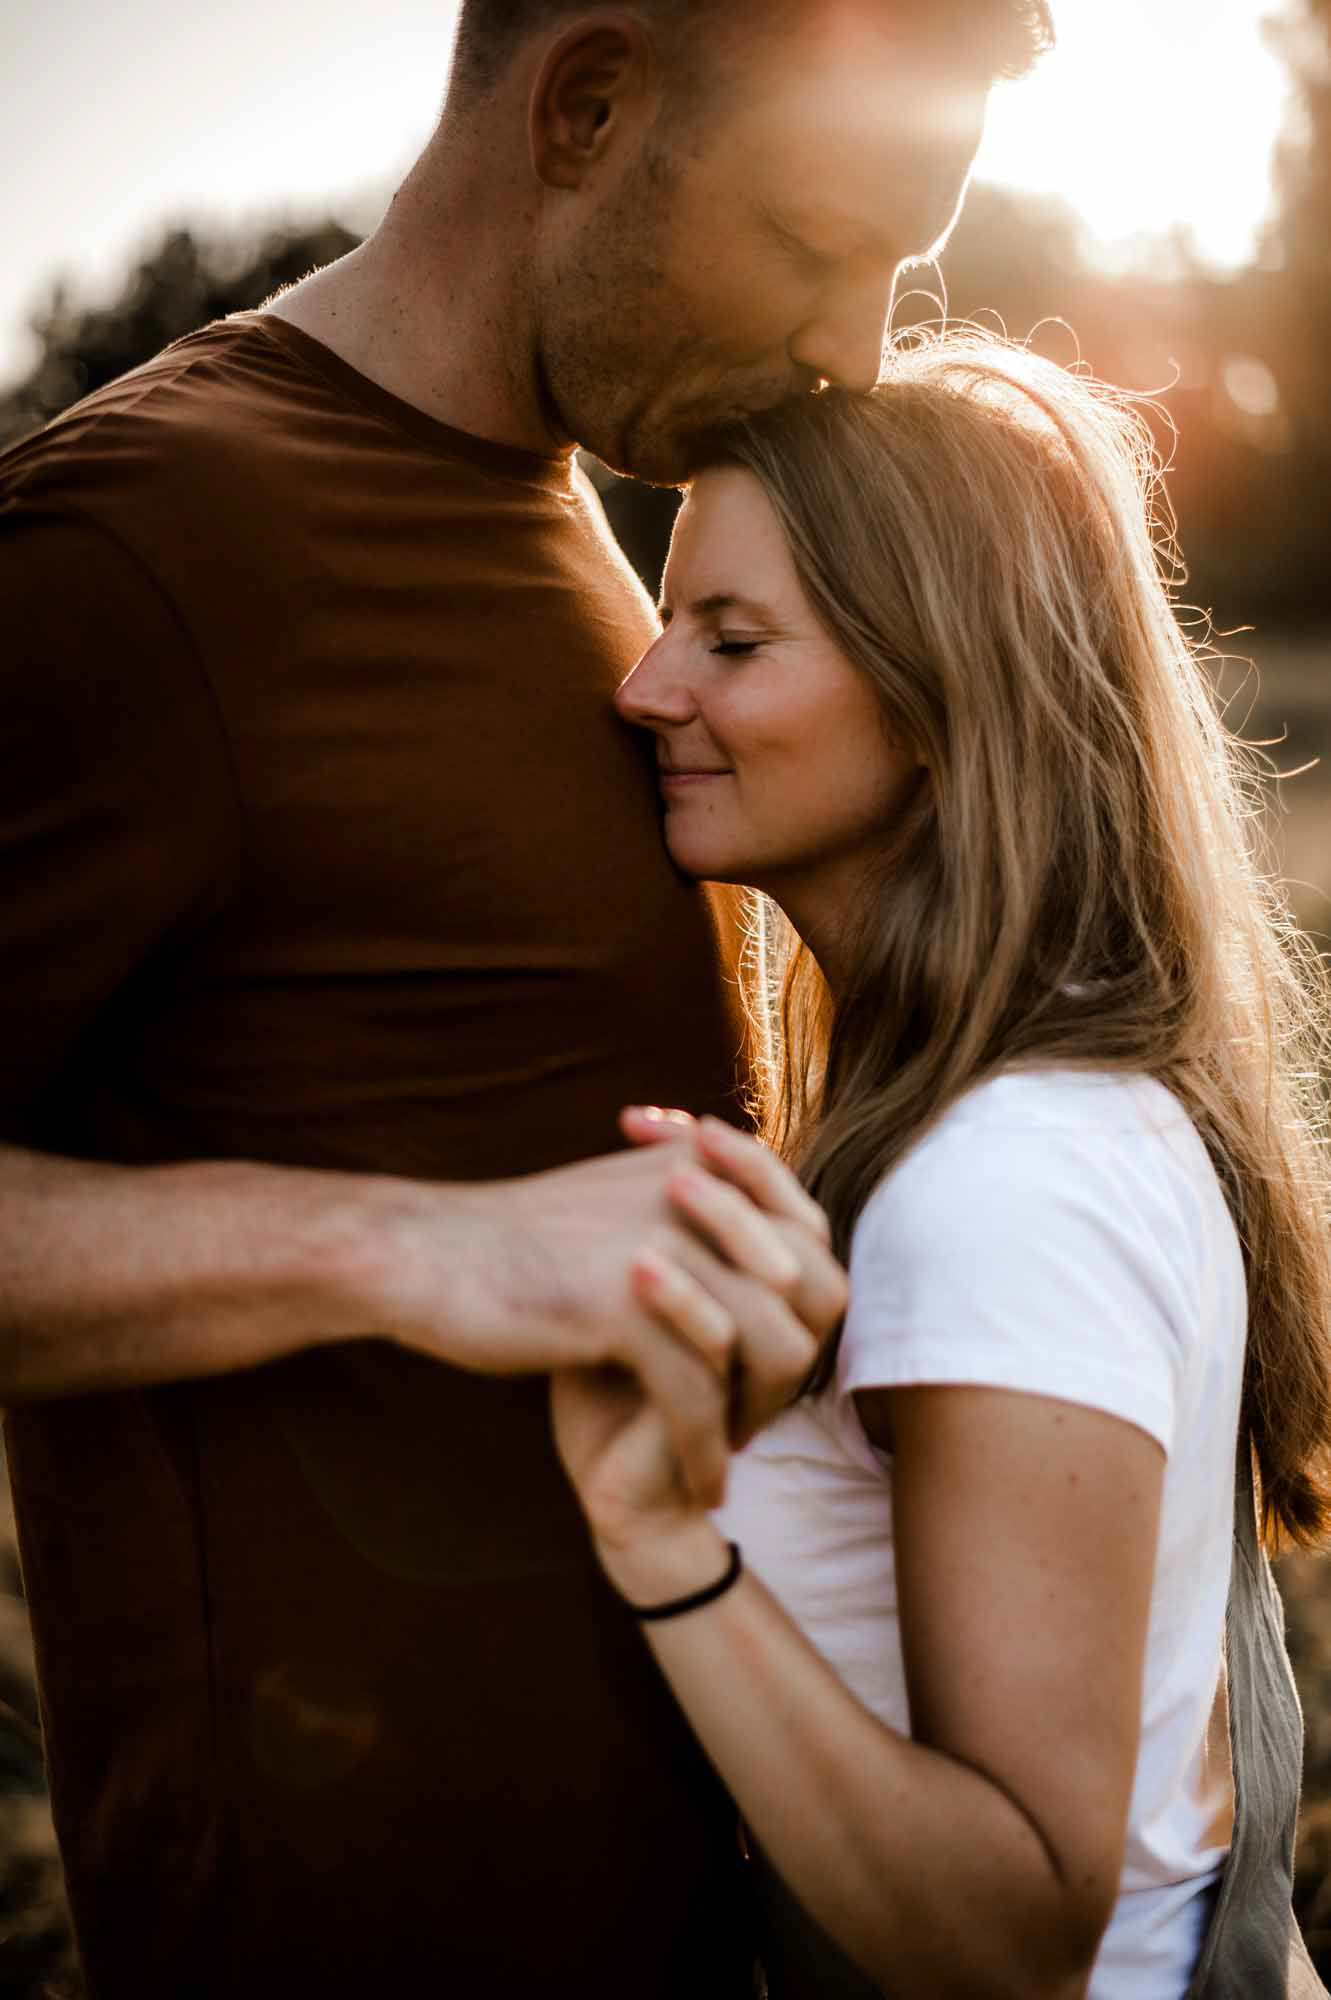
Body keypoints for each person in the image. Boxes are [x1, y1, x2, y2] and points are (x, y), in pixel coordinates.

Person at [0, 2, 1056, 1994]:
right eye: (822, 242)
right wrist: (401, 1247)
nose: (852, 346)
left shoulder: (577, 499)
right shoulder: (136, 547)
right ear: (586, 105)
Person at [551, 333, 1331, 1998]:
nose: (644, 687)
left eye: (731, 640)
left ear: (936, 689)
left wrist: (658, 1538)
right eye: (666, 617)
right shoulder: (1003, 1115)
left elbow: (1017, 1930)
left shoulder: (1008, 1180)